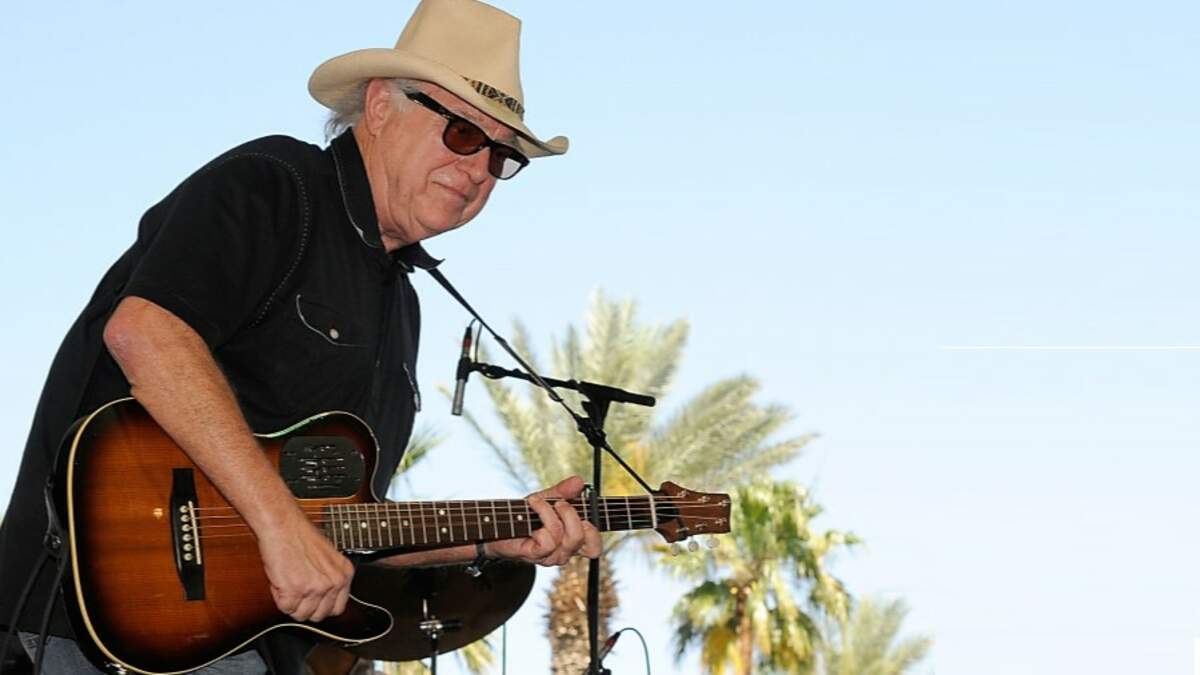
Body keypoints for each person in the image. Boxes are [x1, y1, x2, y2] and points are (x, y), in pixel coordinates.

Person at [0, 0, 600, 672]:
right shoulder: (276, 187)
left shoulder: (401, 303)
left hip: (248, 647)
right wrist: (280, 525)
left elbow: (345, 524)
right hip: (96, 625)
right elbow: (146, 332)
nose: (479, 170)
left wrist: (497, 537)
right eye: (462, 133)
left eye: (501, 155)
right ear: (381, 105)